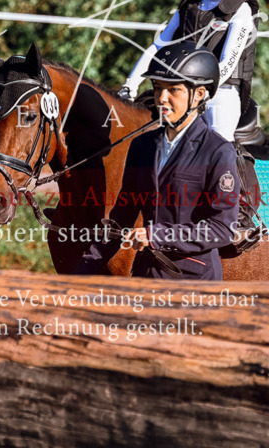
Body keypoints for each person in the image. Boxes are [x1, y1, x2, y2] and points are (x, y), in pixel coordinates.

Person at [75, 42, 241, 280]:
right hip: (146, 276)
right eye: (157, 88)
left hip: (193, 283)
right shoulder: (142, 146)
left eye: (174, 90)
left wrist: (156, 236)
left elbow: (222, 229)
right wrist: (80, 272)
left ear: (199, 95)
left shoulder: (218, 151)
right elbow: (122, 217)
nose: (162, 98)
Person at [119, 0, 260, 143]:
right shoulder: (191, 4)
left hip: (221, 94)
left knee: (217, 142)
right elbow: (159, 46)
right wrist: (131, 84)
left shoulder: (241, 10)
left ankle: (228, 176)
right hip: (182, 90)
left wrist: (196, 90)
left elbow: (227, 63)